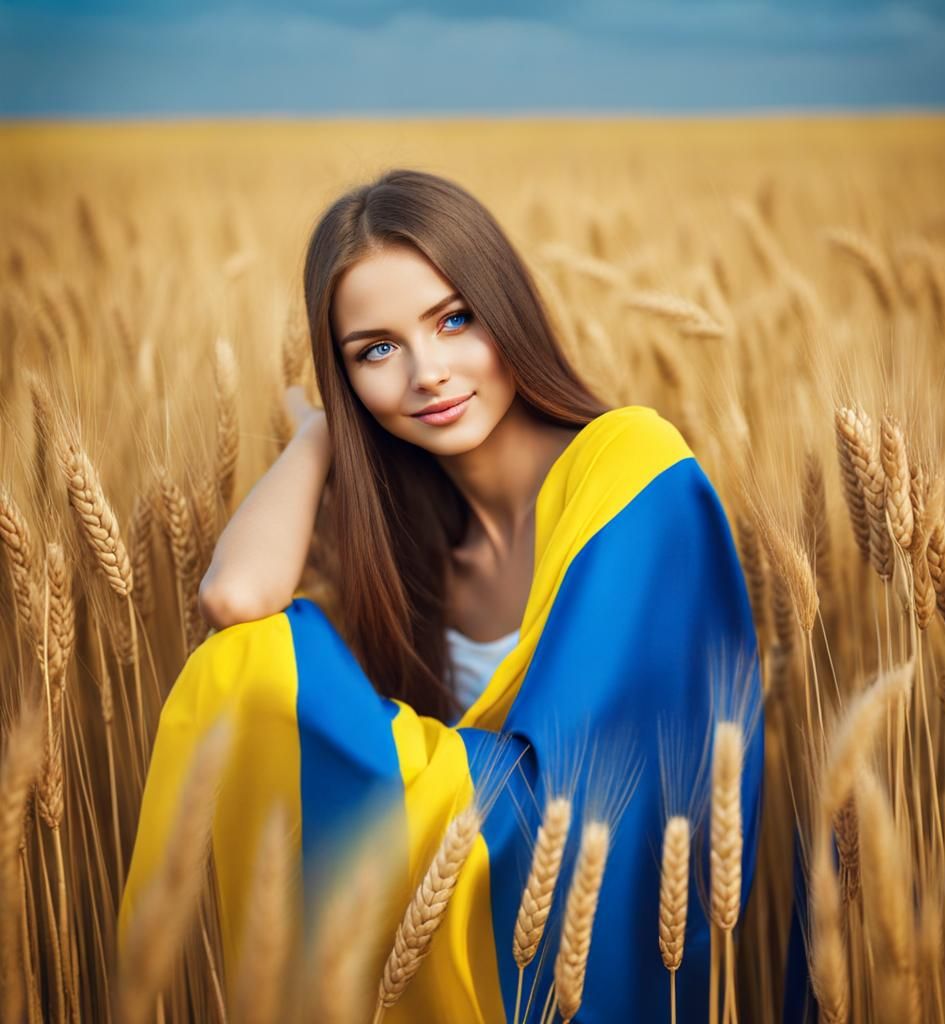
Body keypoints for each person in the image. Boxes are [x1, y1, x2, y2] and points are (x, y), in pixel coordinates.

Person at [119, 168, 765, 1022]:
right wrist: (320, 438)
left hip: (608, 965)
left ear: (508, 309)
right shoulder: (411, 550)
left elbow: (590, 806)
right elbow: (236, 602)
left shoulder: (632, 474)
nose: (428, 372)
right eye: (375, 351)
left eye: (454, 319)